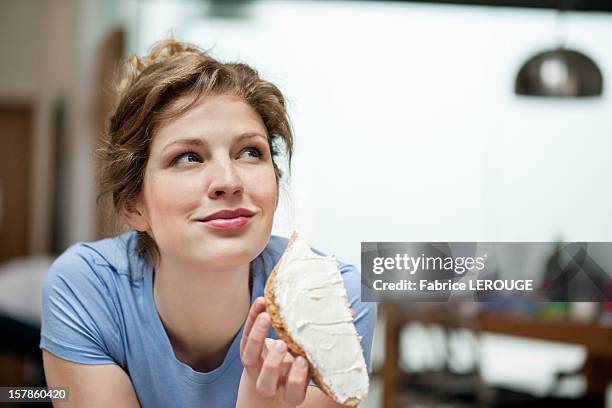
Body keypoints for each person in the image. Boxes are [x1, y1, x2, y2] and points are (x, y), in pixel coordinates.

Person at [40, 39, 376, 407]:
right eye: (188, 157)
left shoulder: (334, 298)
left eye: (251, 152)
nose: (229, 181)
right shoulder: (86, 288)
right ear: (133, 206)